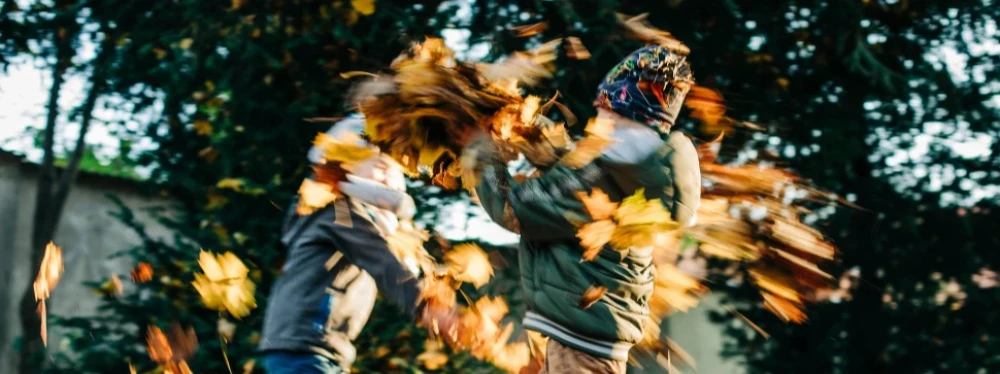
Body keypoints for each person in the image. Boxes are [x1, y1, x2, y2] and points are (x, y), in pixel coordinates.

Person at [460, 45, 702, 374]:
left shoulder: (603, 172)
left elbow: (514, 208)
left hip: (579, 340)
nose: (596, 120)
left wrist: (478, 145)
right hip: (589, 335)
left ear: (621, 112)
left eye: (604, 111)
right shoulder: (635, 167)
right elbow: (568, 169)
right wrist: (527, 126)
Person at [258, 114, 452, 374]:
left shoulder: (352, 216)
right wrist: (424, 305)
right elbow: (379, 258)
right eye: (379, 165)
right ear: (344, 166)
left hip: (317, 350)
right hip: (304, 347)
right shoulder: (339, 211)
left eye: (394, 171)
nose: (389, 176)